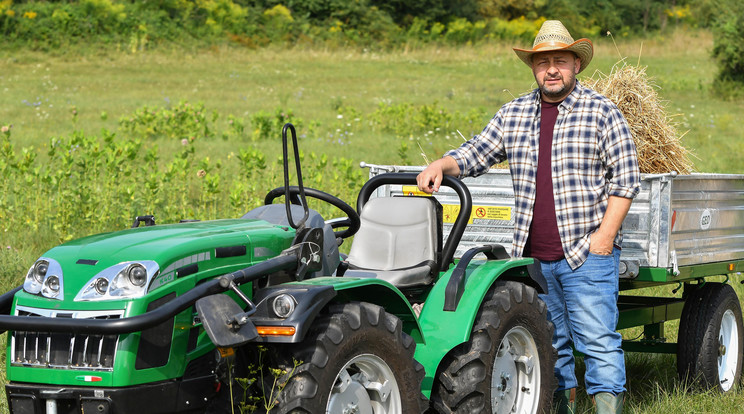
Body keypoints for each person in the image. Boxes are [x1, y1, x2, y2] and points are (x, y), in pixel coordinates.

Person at [416, 20, 641, 414]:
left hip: (584, 254)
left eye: (560, 60)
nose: (551, 69)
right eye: (543, 62)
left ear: (575, 64)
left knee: (598, 342)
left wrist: (604, 238)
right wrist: (441, 163)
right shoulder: (515, 114)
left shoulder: (602, 112)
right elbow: (476, 153)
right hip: (533, 260)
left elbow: (626, 180)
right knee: (551, 346)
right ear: (533, 68)